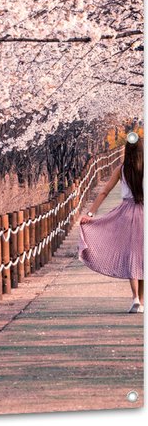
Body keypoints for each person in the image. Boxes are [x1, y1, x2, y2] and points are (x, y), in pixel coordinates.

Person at [78, 133, 144, 313]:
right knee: (143, 256)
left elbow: (104, 192)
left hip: (126, 213)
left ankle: (135, 298)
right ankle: (142, 301)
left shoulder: (122, 169)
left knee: (131, 255)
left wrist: (91, 213)